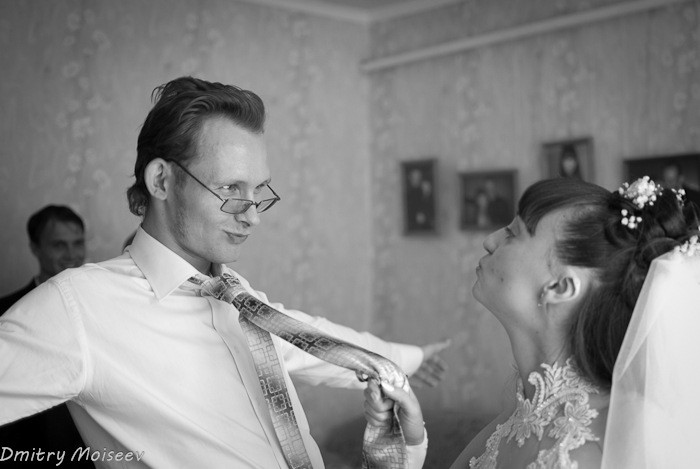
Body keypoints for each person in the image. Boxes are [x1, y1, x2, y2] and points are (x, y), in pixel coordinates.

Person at [0, 76, 450, 468]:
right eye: (230, 188)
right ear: (161, 181)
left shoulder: (237, 296)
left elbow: (307, 338)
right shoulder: (79, 308)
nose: (252, 216)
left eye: (258, 191)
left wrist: (402, 359)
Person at [364, 176, 700, 468]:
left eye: (513, 233)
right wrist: (400, 447)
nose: (489, 240)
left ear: (560, 287)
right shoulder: (518, 419)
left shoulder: (604, 445)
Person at [0, 204, 92, 468]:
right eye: (59, 245)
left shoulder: (99, 307)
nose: (71, 254)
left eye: (77, 243)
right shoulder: (4, 313)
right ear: (35, 248)